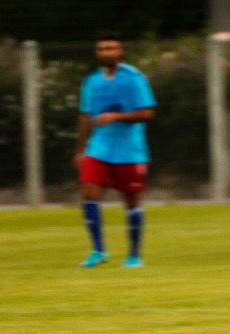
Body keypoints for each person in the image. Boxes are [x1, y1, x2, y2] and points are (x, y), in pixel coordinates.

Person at [74, 32, 157, 268]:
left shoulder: (133, 78)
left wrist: (116, 116)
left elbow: (147, 113)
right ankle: (98, 250)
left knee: (131, 200)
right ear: (97, 53)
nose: (107, 52)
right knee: (89, 192)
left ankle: (134, 255)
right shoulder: (91, 81)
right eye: (102, 49)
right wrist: (80, 149)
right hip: (98, 148)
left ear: (121, 51)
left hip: (129, 150)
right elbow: (84, 115)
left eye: (111, 48)